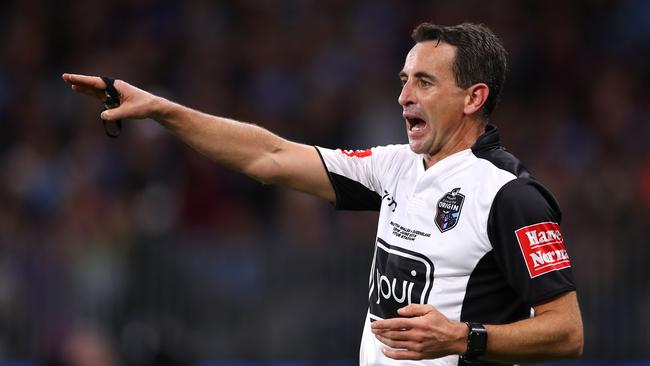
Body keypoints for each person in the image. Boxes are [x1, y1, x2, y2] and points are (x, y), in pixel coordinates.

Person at [63, 22, 583, 366]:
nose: (403, 96)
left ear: (474, 97)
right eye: (404, 80)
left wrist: (462, 337)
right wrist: (162, 109)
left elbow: (567, 333)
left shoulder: (511, 197)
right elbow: (267, 156)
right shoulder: (394, 166)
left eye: (424, 82)